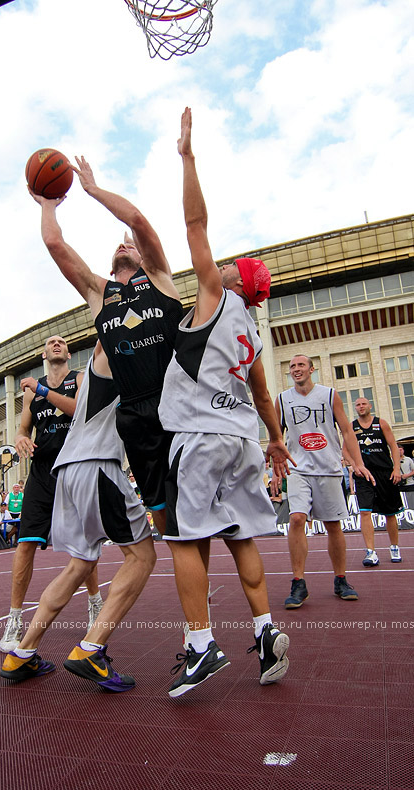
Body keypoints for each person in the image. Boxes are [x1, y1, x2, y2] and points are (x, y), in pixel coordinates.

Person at [154, 108, 295, 698]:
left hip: (201, 437)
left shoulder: (215, 294)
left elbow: (194, 222)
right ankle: (265, 632)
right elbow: (263, 394)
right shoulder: (254, 336)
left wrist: (187, 157)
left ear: (238, 282)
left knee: (187, 539)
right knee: (239, 536)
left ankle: (200, 646)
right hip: (240, 441)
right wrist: (278, 441)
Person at [29, 155, 182, 536]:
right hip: (133, 411)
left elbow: (137, 220)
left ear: (143, 256)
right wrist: (48, 205)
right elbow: (54, 242)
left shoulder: (160, 277)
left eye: (130, 245)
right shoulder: (100, 292)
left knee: (191, 503)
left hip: (175, 401)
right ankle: (189, 574)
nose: (123, 244)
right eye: (119, 246)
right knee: (162, 511)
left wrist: (93, 190)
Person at [0, 342, 156, 690]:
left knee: (80, 564)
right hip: (94, 466)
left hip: (68, 471)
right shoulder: (104, 362)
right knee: (143, 556)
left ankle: (22, 654)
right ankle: (91, 648)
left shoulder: (100, 374)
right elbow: (106, 319)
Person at [0, 335, 101, 653]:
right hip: (42, 473)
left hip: (73, 468)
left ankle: (95, 602)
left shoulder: (80, 379)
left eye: (61, 342)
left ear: (68, 353)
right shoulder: (32, 392)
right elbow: (24, 428)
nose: (56, 344)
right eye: (50, 342)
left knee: (82, 545)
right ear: (44, 354)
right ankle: (15, 620)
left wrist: (44, 391)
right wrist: (19, 438)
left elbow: (80, 412)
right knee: (25, 544)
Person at [274, 356, 374, 609]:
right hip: (298, 469)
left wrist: (357, 462)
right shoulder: (283, 399)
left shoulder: (329, 395)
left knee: (332, 525)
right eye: (292, 367)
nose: (296, 369)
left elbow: (347, 431)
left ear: (311, 369)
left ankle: (340, 579)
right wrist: (276, 468)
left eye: (300, 365)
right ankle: (298, 582)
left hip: (328, 467)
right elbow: (276, 435)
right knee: (296, 519)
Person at [351, 397, 403, 565]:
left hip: (384, 473)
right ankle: (370, 552)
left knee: (390, 513)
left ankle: (394, 546)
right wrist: (355, 466)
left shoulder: (381, 423)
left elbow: (393, 447)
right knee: (365, 512)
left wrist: (396, 469)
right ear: (355, 408)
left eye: (363, 404)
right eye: (358, 405)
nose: (361, 407)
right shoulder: (352, 427)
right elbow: (345, 450)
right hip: (364, 475)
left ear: (370, 406)